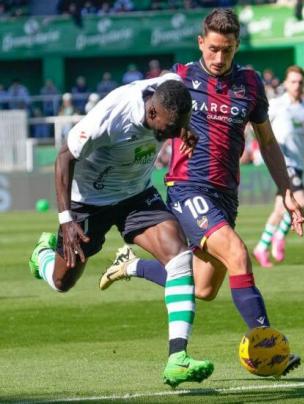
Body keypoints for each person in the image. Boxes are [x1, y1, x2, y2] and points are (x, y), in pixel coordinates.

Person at [99, 8, 304, 377]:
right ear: (200, 43)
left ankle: (129, 266)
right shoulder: (179, 79)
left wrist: (286, 189)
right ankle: (269, 346)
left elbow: (268, 142)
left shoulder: (251, 84)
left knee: (203, 288)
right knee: (239, 254)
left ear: (237, 45)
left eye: (227, 50)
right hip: (187, 188)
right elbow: (140, 114)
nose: (219, 57)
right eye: (212, 49)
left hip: (226, 194)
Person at [27, 75, 213, 388]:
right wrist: (66, 219)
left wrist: (185, 128)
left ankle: (177, 358)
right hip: (88, 201)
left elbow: (176, 111)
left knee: (180, 257)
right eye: (169, 129)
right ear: (152, 114)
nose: (171, 136)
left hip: (136, 195)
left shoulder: (170, 91)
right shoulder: (111, 116)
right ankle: (42, 255)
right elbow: (64, 157)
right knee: (62, 281)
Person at [253, 65, 304, 268]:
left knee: (281, 208)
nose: (297, 85)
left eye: (300, 82)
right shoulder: (276, 104)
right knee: (301, 200)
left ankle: (261, 247)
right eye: (293, 81)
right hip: (283, 162)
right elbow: (257, 124)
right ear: (285, 83)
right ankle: (279, 237)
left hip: (298, 162)